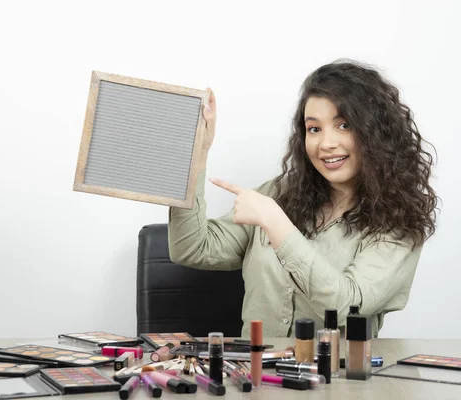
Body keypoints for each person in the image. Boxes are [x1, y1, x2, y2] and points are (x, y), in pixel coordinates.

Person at [168, 60, 438, 338]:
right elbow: (192, 248)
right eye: (314, 129)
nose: (326, 143)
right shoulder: (278, 194)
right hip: (257, 374)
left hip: (338, 377)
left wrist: (276, 223)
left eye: (344, 125)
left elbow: (346, 306)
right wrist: (195, 154)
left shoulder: (399, 224)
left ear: (375, 133)